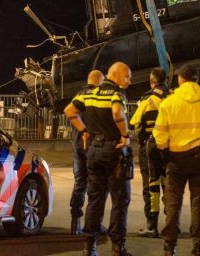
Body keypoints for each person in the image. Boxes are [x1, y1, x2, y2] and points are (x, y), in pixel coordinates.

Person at [153, 64, 200, 256]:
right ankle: (199, 246)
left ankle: (170, 246)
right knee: (198, 203)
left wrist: (164, 153)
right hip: (199, 160)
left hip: (175, 160)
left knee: (173, 203)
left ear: (180, 79)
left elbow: (159, 135)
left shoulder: (168, 103)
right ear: (197, 80)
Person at [64, 62, 134, 256]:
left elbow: (69, 111)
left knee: (95, 199)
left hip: (93, 151)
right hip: (114, 150)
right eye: (127, 76)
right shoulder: (116, 95)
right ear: (116, 76)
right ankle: (118, 247)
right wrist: (125, 135)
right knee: (120, 200)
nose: (130, 80)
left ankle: (89, 246)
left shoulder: (87, 94)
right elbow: (118, 113)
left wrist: (84, 131)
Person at [128, 67, 170, 238]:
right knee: (169, 186)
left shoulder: (147, 100)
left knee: (151, 186)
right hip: (171, 149)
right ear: (166, 81)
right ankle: (171, 225)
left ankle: (152, 226)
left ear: (152, 82)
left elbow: (132, 123)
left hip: (150, 149)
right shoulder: (175, 97)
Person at [69, 70, 104, 235]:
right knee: (96, 185)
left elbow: (71, 115)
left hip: (77, 147)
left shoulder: (78, 95)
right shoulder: (95, 96)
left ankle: (74, 222)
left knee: (79, 183)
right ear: (98, 81)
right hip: (92, 147)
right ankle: (93, 223)